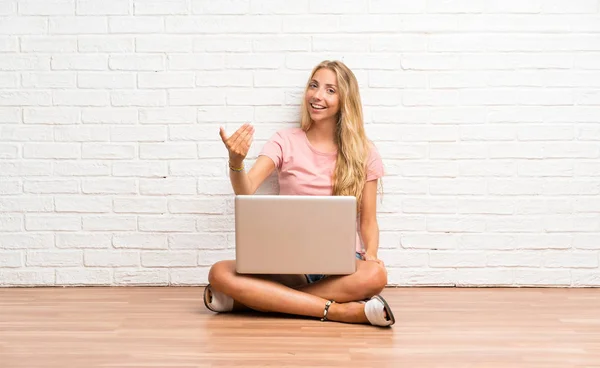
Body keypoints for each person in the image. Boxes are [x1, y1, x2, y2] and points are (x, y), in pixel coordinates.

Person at [203, 60, 395, 327]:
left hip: (342, 265)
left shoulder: (365, 152)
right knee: (219, 272)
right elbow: (246, 191)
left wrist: (371, 252)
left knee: (375, 275)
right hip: (289, 265)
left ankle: (256, 302)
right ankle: (342, 312)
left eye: (330, 90)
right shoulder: (284, 140)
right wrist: (236, 162)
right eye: (314, 86)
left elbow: (368, 221)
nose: (317, 95)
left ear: (345, 100)